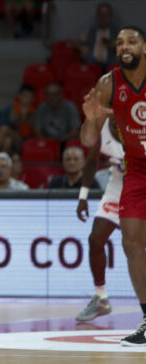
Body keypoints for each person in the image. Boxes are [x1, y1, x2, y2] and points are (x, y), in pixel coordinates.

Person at [80, 26, 146, 346]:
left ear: (144, 47)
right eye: (120, 43)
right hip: (134, 174)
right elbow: (88, 142)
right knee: (131, 245)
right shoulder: (108, 84)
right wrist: (90, 118)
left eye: (132, 41)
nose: (125, 46)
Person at [75, 118, 123, 321]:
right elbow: (92, 160)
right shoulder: (102, 126)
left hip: (141, 187)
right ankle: (101, 297)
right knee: (95, 240)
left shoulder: (139, 125)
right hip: (118, 186)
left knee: (136, 247)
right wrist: (83, 196)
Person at [0, 85, 37, 161]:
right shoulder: (9, 110)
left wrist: (24, 118)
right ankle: (3, 162)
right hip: (10, 141)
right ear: (19, 96)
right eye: (25, 96)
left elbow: (29, 134)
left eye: (30, 97)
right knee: (7, 141)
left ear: (33, 99)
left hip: (24, 141)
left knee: (4, 129)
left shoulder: (34, 113)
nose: (27, 100)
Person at [78, 3, 118, 69]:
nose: (103, 18)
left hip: (109, 63)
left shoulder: (116, 33)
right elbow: (80, 43)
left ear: (110, 17)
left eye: (106, 15)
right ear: (97, 16)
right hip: (92, 63)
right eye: (101, 15)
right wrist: (82, 47)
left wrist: (116, 46)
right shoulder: (90, 32)